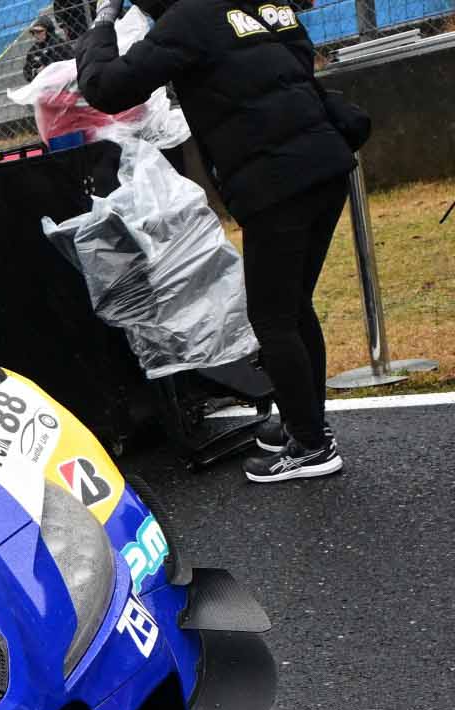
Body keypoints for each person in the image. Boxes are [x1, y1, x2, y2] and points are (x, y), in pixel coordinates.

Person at [74, 0, 367, 482]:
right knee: (293, 308)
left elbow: (107, 88)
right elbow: (296, 59)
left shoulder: (188, 18)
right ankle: (304, 423)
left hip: (277, 178)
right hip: (325, 162)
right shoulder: (256, 5)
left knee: (272, 318)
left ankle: (312, 446)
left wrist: (103, 23)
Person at [21, 11, 65, 82]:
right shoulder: (33, 50)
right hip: (42, 82)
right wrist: (36, 71)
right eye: (34, 32)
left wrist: (47, 68)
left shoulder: (59, 43)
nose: (36, 35)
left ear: (48, 31)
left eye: (39, 32)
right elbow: (27, 71)